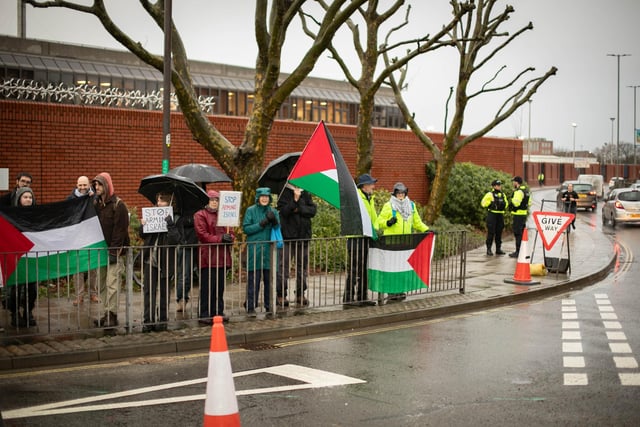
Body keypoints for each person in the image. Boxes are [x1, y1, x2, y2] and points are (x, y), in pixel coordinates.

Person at [138, 192, 183, 332]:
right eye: (157, 200)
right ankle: (148, 321)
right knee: (148, 291)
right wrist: (143, 225)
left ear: (169, 202)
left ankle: (162, 320)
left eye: (162, 201)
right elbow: (143, 235)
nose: (158, 203)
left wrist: (170, 224)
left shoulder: (175, 219)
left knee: (164, 292)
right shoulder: (153, 214)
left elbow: (175, 240)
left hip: (166, 261)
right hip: (150, 260)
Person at [378, 182, 429, 301]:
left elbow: (417, 222)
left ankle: (400, 291)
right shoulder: (388, 205)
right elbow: (379, 222)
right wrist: (388, 223)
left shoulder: (411, 206)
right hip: (391, 242)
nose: (400, 195)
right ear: (394, 194)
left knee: (401, 267)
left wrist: (427, 229)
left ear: (405, 193)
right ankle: (391, 292)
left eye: (402, 193)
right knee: (391, 268)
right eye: (398, 193)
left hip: (405, 242)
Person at [92, 172, 130, 327]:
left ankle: (112, 315)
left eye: (100, 184)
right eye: (95, 184)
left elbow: (120, 230)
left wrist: (114, 252)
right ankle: (106, 312)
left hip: (114, 251)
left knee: (112, 283)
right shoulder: (96, 204)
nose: (97, 187)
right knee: (101, 284)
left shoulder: (118, 205)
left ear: (107, 185)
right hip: (99, 251)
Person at [194, 190, 235, 325]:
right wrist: (220, 238)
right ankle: (204, 313)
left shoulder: (224, 215)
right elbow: (202, 235)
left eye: (217, 200)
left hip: (222, 257)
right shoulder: (200, 215)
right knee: (207, 287)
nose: (214, 202)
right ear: (207, 201)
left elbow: (231, 232)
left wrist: (230, 238)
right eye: (212, 200)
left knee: (219, 287)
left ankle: (218, 311)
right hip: (208, 257)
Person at [276, 184, 317, 307]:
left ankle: (300, 293)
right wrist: (294, 200)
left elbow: (312, 211)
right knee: (284, 267)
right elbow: (284, 212)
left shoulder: (306, 193)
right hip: (288, 237)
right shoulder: (283, 192)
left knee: (302, 268)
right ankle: (281, 294)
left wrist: (298, 208)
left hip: (303, 236)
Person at [242, 187, 279, 316]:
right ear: (258, 198)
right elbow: (246, 229)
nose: (264, 198)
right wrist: (261, 224)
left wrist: (274, 221)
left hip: (269, 250)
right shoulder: (250, 211)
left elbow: (277, 228)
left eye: (267, 196)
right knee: (254, 279)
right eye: (262, 196)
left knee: (269, 280)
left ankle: (269, 305)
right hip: (255, 250)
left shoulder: (273, 211)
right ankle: (251, 305)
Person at [343, 173, 379, 307]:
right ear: (364, 186)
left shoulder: (370, 198)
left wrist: (375, 229)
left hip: (365, 237)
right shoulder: (356, 197)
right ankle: (348, 298)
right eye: (371, 184)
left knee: (363, 269)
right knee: (354, 269)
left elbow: (373, 218)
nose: (373, 186)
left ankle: (362, 297)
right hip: (355, 237)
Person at [6, 187, 38, 327]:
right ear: (19, 199)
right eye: (25, 197)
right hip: (15, 257)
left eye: (30, 197)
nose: (28, 200)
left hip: (31, 257)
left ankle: (28, 312)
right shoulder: (10, 215)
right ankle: (14, 314)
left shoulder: (36, 215)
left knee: (32, 288)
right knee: (15, 288)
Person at [68, 176, 99, 306]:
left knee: (93, 268)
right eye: (80, 185)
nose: (82, 188)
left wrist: (93, 199)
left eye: (84, 185)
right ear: (76, 185)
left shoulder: (95, 196)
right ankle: (79, 296)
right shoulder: (70, 199)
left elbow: (100, 211)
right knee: (78, 269)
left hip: (92, 237)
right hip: (77, 238)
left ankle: (93, 294)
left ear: (88, 185)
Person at [480, 179, 508, 256]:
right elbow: (483, 203)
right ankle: (489, 249)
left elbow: (506, 204)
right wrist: (490, 204)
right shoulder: (490, 194)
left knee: (499, 233)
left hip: (500, 215)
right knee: (491, 233)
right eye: (498, 185)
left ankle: (498, 249)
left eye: (500, 185)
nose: (500, 186)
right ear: (494, 186)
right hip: (492, 215)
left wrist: (503, 205)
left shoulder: (503, 194)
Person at [509, 176, 531, 258]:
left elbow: (516, 203)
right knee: (521, 233)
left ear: (516, 182)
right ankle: (522, 250)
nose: (513, 183)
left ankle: (518, 251)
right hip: (524, 214)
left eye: (513, 182)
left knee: (517, 233)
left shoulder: (518, 192)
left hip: (518, 214)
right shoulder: (526, 191)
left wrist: (514, 196)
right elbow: (529, 203)